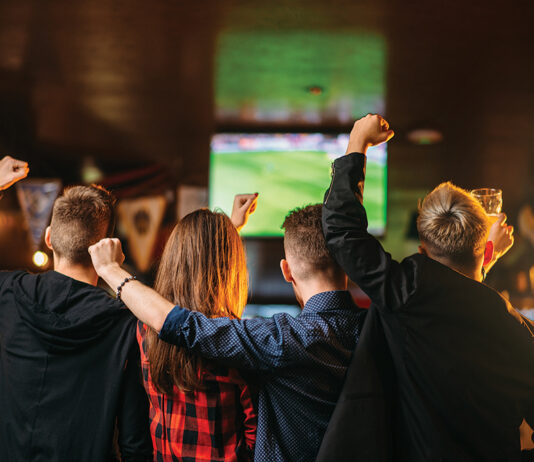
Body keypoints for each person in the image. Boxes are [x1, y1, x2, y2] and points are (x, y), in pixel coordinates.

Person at [317, 114, 534, 461]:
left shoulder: (404, 292)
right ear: (487, 251)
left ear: (422, 251)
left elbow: (343, 230)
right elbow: (465, 298)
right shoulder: (518, 332)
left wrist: (358, 141)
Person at [88, 203, 367, 462]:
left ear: (287, 270)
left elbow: (177, 322)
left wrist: (110, 269)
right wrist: (224, 240)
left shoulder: (144, 331)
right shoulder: (369, 328)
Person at [0, 178, 152, 462]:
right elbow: (135, 442)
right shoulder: (125, 324)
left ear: (48, 238)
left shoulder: (7, 292)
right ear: (107, 247)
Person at [136, 206, 257, 461]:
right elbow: (255, 434)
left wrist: (226, 231)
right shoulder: (234, 337)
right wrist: (225, 239)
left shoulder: (145, 328)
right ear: (230, 266)